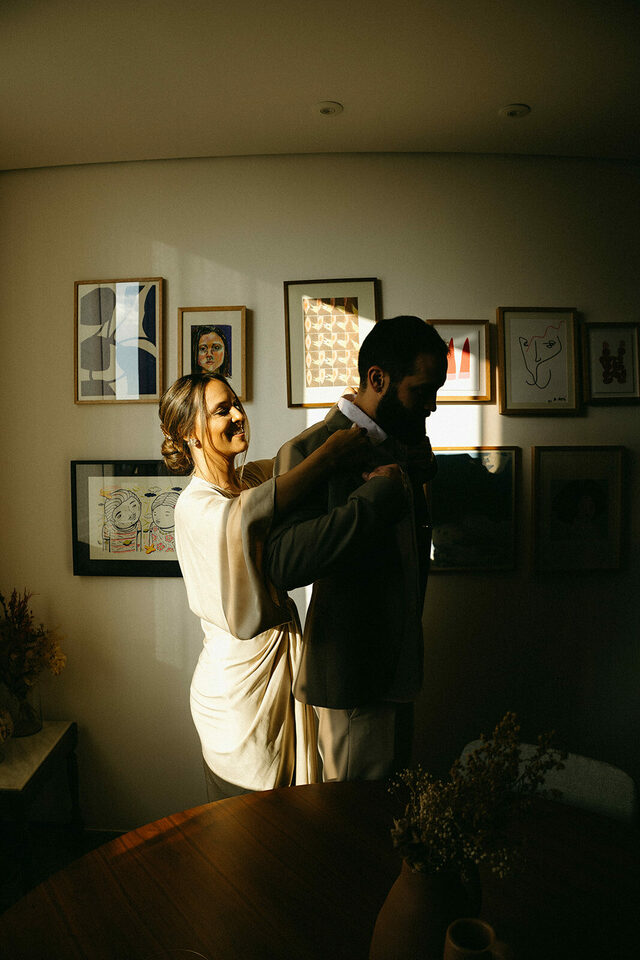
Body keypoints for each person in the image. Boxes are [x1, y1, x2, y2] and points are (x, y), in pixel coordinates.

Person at [159, 371, 403, 800]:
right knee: (249, 820)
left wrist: (347, 414)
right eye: (221, 410)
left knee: (290, 816)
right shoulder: (195, 506)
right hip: (238, 691)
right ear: (189, 434)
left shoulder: (252, 478)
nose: (238, 415)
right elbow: (251, 511)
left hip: (282, 664)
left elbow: (294, 458)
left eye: (236, 404)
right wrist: (327, 458)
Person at [264, 316, 449, 783]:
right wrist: (376, 499)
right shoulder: (310, 450)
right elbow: (284, 563)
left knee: (392, 817)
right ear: (377, 379)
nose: (431, 407)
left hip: (399, 672)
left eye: (436, 392)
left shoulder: (405, 446)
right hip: (352, 680)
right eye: (422, 392)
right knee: (351, 821)